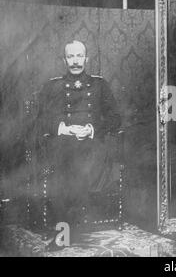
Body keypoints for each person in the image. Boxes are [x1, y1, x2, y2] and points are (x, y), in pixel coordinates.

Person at [35, 40, 121, 228]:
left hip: (93, 146)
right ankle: (73, 222)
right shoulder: (52, 87)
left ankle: (70, 223)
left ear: (86, 58)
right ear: (64, 60)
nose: (75, 61)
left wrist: (91, 129)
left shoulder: (100, 84)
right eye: (70, 56)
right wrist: (64, 129)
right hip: (62, 147)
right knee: (68, 155)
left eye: (79, 56)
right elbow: (39, 120)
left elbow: (115, 118)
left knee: (85, 159)